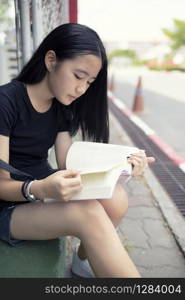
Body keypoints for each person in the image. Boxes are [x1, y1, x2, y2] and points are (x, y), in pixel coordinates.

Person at [0, 23, 155, 278]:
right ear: (51, 60)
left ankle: (83, 261)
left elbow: (67, 162)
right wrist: (39, 188)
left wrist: (122, 163)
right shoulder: (7, 102)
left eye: (90, 82)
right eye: (78, 76)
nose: (82, 89)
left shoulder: (61, 106)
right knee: (88, 213)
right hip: (8, 206)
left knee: (117, 199)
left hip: (42, 190)